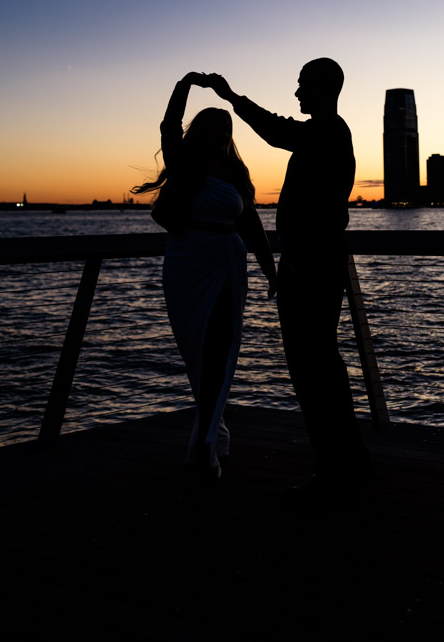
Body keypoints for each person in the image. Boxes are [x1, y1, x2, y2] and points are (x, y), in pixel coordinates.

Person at [208, 59, 371, 494]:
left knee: (310, 368)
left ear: (323, 88)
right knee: (323, 366)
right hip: (314, 260)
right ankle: (347, 463)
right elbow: (282, 130)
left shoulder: (326, 132)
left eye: (302, 87)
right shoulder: (328, 134)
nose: (296, 95)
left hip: (310, 263)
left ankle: (334, 473)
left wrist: (231, 98)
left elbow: (276, 130)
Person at [132, 72, 276, 475]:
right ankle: (214, 430)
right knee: (196, 353)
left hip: (225, 264)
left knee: (218, 350)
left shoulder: (236, 173)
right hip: (184, 264)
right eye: (215, 126)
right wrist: (186, 83)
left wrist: (270, 270)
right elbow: (168, 125)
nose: (222, 133)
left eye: (227, 127)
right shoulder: (184, 165)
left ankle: (207, 443)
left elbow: (252, 226)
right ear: (203, 131)